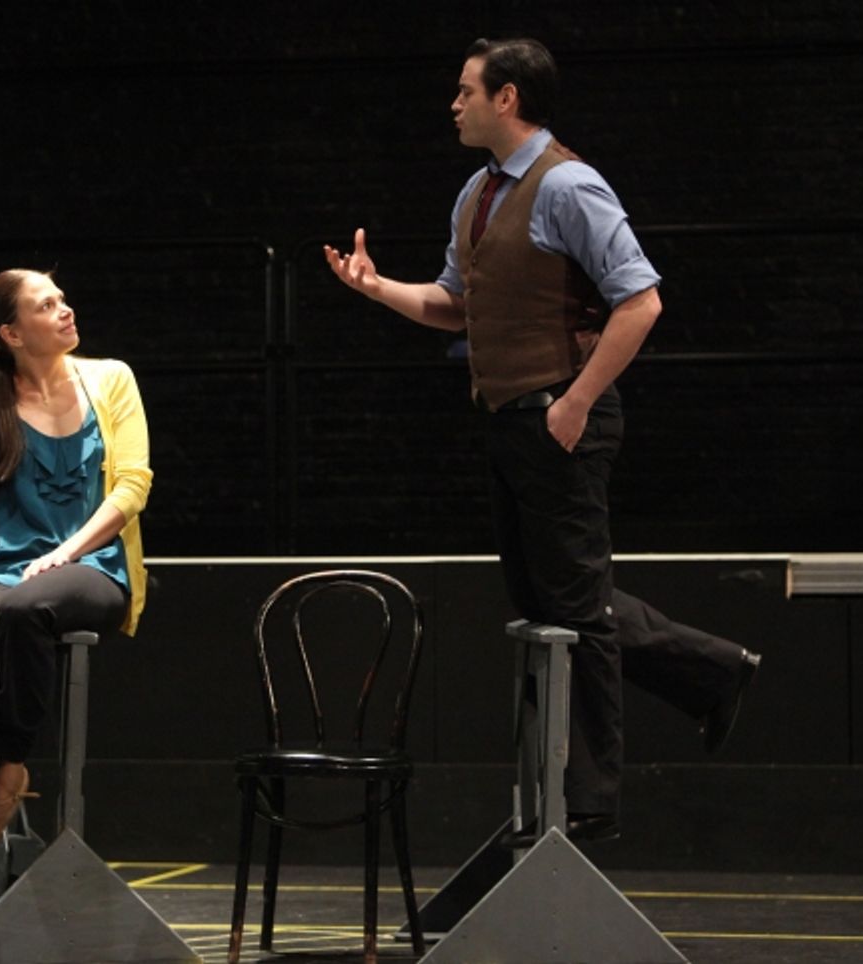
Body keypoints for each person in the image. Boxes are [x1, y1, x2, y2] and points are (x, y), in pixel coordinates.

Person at [324, 37, 757, 844]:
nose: (454, 104)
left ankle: (588, 800)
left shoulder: (570, 186)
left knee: (579, 615)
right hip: (507, 421)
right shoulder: (477, 193)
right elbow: (455, 305)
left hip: (561, 419)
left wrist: (576, 404)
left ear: (508, 98)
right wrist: (376, 287)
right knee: (548, 603)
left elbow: (642, 302)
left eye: (465, 91)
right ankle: (711, 669)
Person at [0, 268, 152, 963]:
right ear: (11, 333)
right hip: (1, 568)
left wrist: (64, 553)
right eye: (46, 305)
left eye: (62, 297)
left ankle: (13, 763)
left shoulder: (111, 379)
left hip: (95, 570)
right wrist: (26, 559)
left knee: (25, 607)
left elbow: (134, 485)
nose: (65, 308)